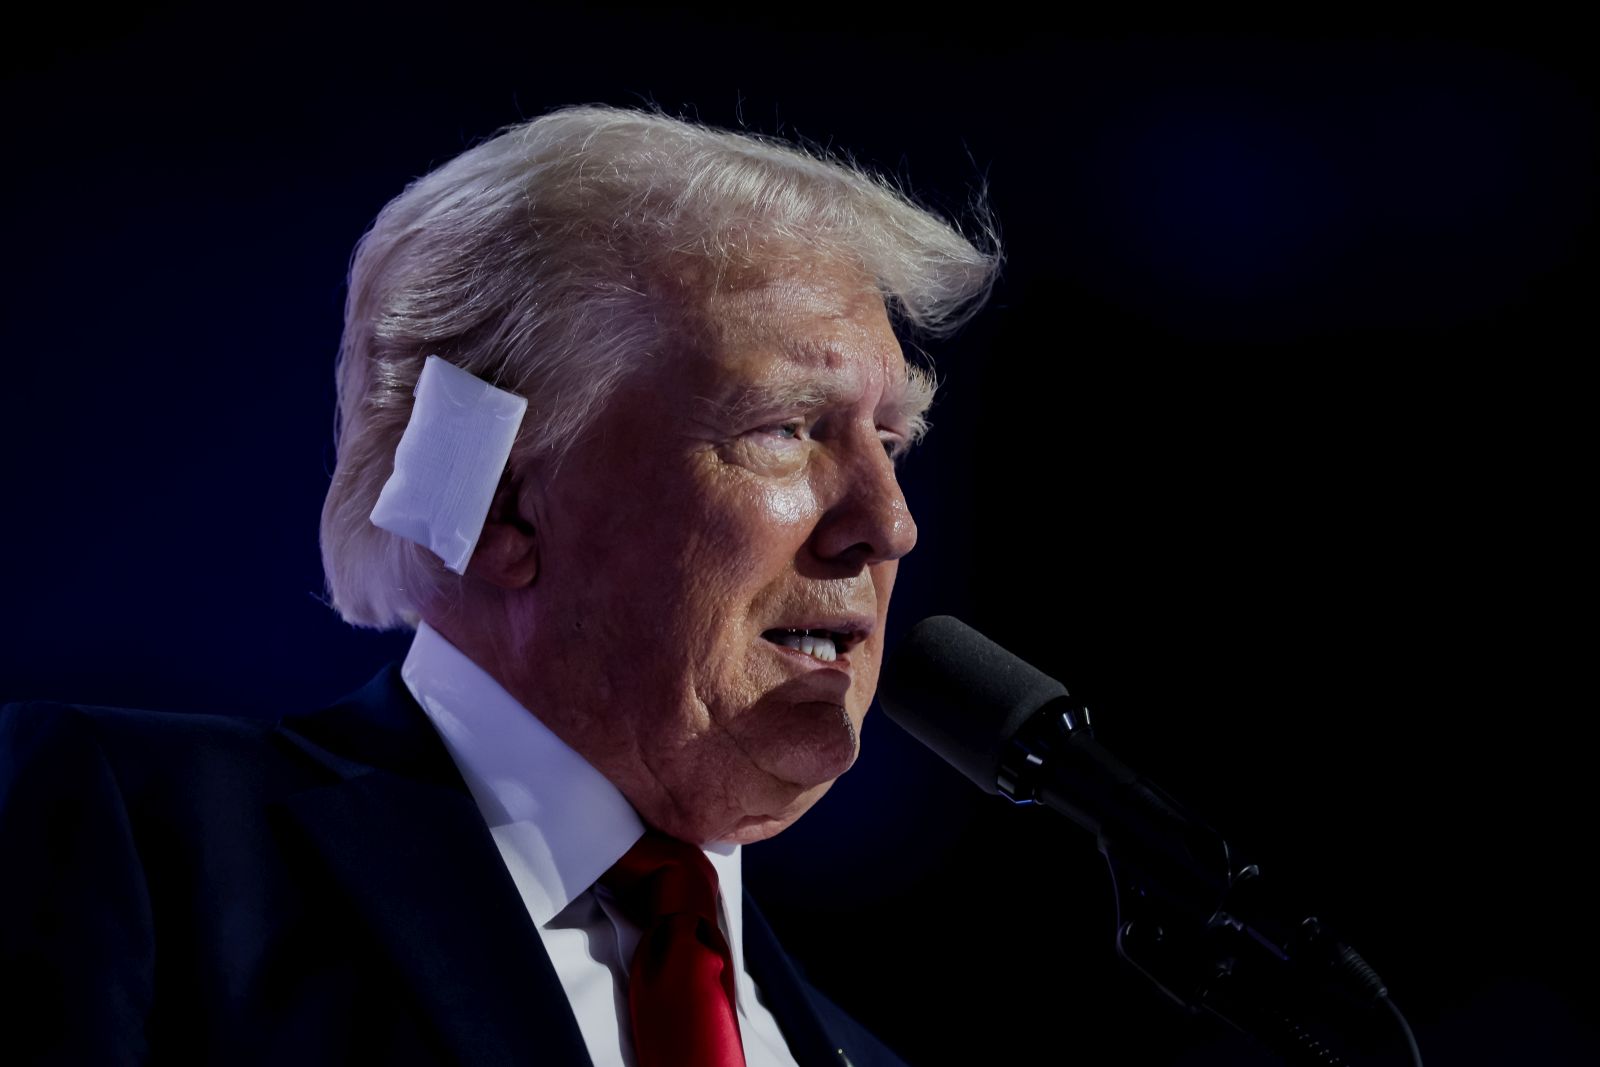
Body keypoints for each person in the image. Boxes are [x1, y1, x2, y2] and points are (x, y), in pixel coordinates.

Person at [0, 105, 998, 1065]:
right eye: (784, 428)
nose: (889, 522)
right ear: (505, 504)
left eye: (892, 439)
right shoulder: (141, 837)